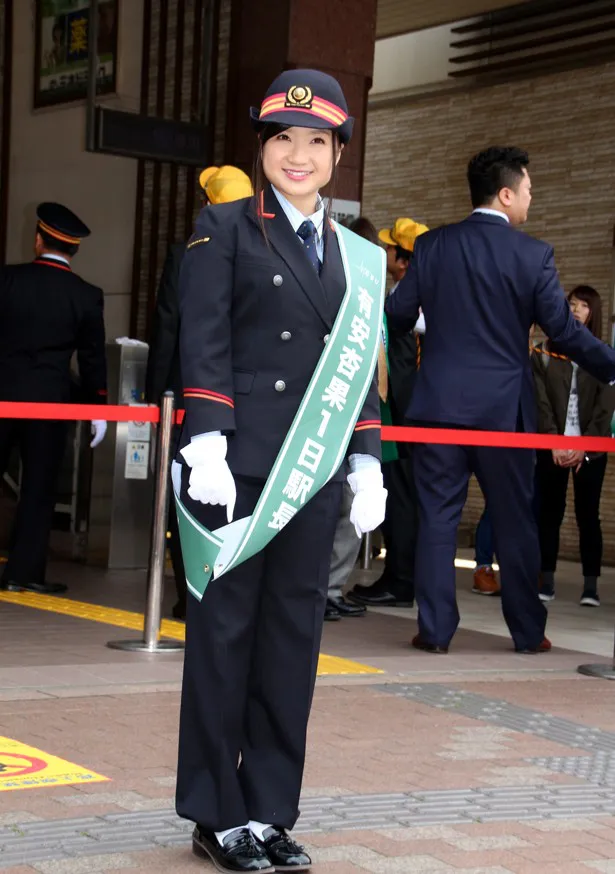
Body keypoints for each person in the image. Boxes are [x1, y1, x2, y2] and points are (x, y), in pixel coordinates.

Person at [175, 69, 387, 873]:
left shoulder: (358, 257)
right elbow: (206, 340)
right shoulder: (222, 228)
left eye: (316, 141)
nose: (297, 153)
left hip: (313, 475)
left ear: (336, 156)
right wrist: (206, 441)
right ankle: (213, 813)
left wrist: (365, 458)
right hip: (236, 473)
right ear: (262, 146)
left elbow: (356, 368)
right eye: (282, 137)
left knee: (292, 644)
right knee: (223, 640)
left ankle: (267, 810)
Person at [385, 146, 615, 655]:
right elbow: (563, 333)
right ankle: (528, 634)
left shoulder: (432, 245)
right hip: (502, 415)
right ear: (506, 193)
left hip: (436, 411)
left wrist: (436, 323)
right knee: (515, 523)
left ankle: (436, 632)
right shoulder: (532, 255)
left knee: (438, 522)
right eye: (529, 189)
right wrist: (613, 367)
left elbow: (397, 315)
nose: (532, 199)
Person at [145, 165, 253, 620]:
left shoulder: (186, 253)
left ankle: (191, 592)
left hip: (191, 397)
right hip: (249, 401)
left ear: (207, 205)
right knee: (241, 496)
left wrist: (158, 398)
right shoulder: (267, 251)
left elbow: (170, 326)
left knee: (186, 497)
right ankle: (229, 589)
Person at [0, 203, 107, 596]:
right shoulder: (85, 295)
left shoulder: (8, 281)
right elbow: (93, 358)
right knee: (39, 489)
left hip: (2, 397)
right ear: (73, 249)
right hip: (50, 403)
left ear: (38, 239)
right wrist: (99, 410)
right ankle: (22, 574)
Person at [349, 217, 428, 609]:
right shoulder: (415, 292)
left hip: (401, 412)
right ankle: (400, 577)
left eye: (391, 249)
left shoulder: (411, 298)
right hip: (411, 411)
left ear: (403, 260)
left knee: (401, 497)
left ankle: (400, 580)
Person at [532, 286, 615, 607]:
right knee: (549, 513)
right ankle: (547, 579)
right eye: (572, 304)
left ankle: (591, 586)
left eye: (583, 305)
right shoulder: (543, 353)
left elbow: (605, 409)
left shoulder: (603, 354)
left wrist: (586, 448)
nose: (577, 309)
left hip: (590, 449)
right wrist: (555, 441)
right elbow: (540, 402)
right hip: (552, 445)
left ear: (593, 312)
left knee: (588, 515)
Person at [325, 216, 382, 621]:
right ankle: (320, 587)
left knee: (348, 510)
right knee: (330, 507)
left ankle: (330, 587)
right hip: (325, 415)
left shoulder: (373, 300)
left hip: (360, 419)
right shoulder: (330, 290)